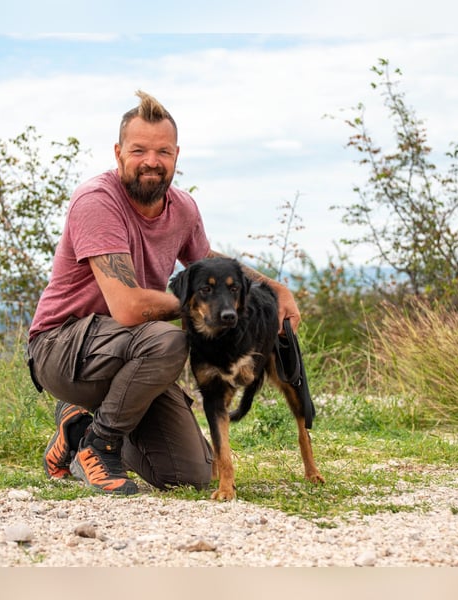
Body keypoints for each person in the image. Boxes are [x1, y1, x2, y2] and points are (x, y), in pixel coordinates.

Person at [27, 90, 301, 495]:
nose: (151, 161)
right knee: (173, 340)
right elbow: (128, 306)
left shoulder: (183, 208)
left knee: (190, 473)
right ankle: (98, 444)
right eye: (139, 150)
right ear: (118, 152)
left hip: (128, 353)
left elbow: (209, 266)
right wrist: (217, 308)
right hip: (62, 348)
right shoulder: (97, 202)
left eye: (163, 152)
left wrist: (270, 289)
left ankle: (80, 422)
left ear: (176, 156)